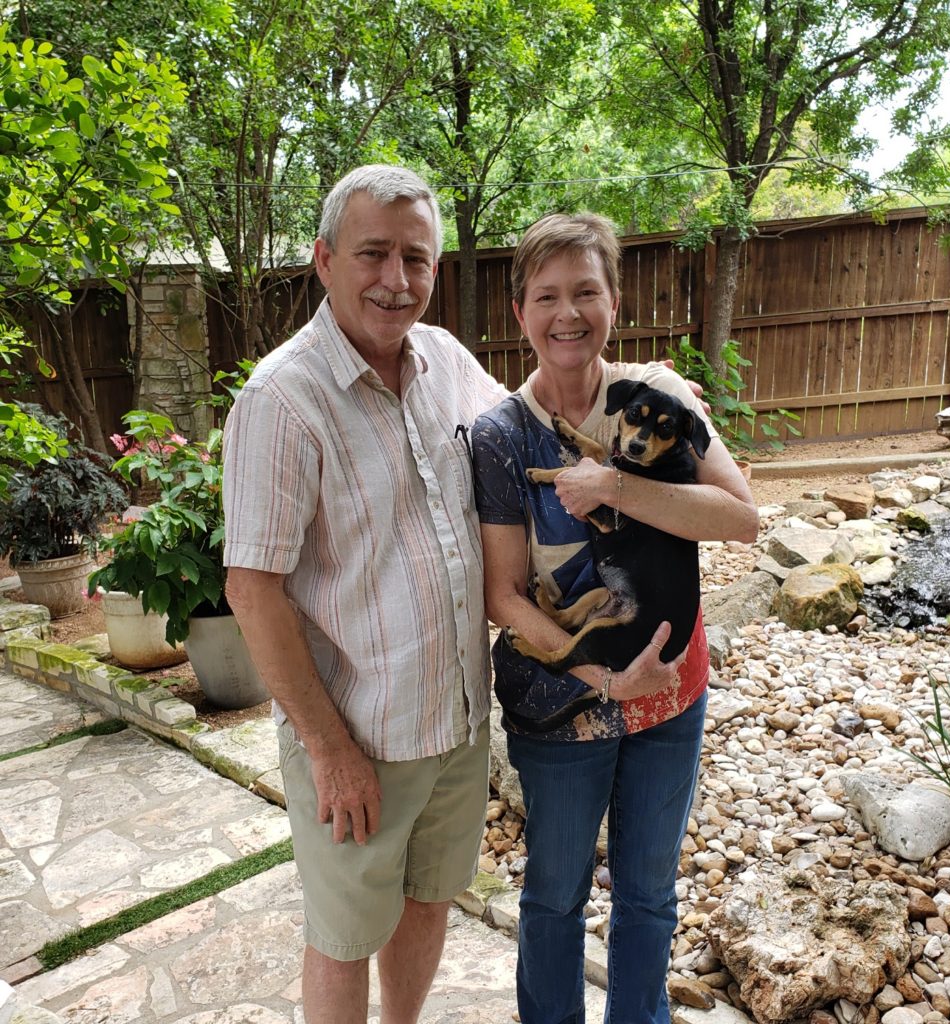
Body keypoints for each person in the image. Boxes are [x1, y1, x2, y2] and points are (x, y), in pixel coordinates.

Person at [220, 167, 690, 1024]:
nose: (395, 279)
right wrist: (328, 749)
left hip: (455, 719)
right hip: (360, 733)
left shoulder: (445, 361)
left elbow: (539, 411)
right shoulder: (281, 401)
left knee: (429, 902)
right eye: (373, 254)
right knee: (343, 936)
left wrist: (640, 380)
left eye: (416, 258)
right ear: (324, 260)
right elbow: (252, 591)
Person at [471, 212, 759, 1024]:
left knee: (649, 895)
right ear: (520, 312)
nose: (568, 313)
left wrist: (616, 486)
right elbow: (503, 595)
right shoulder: (500, 436)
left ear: (614, 302)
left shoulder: (656, 397)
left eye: (586, 292)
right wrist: (603, 678)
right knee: (554, 897)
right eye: (546, 296)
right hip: (564, 701)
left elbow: (741, 519)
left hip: (671, 691)